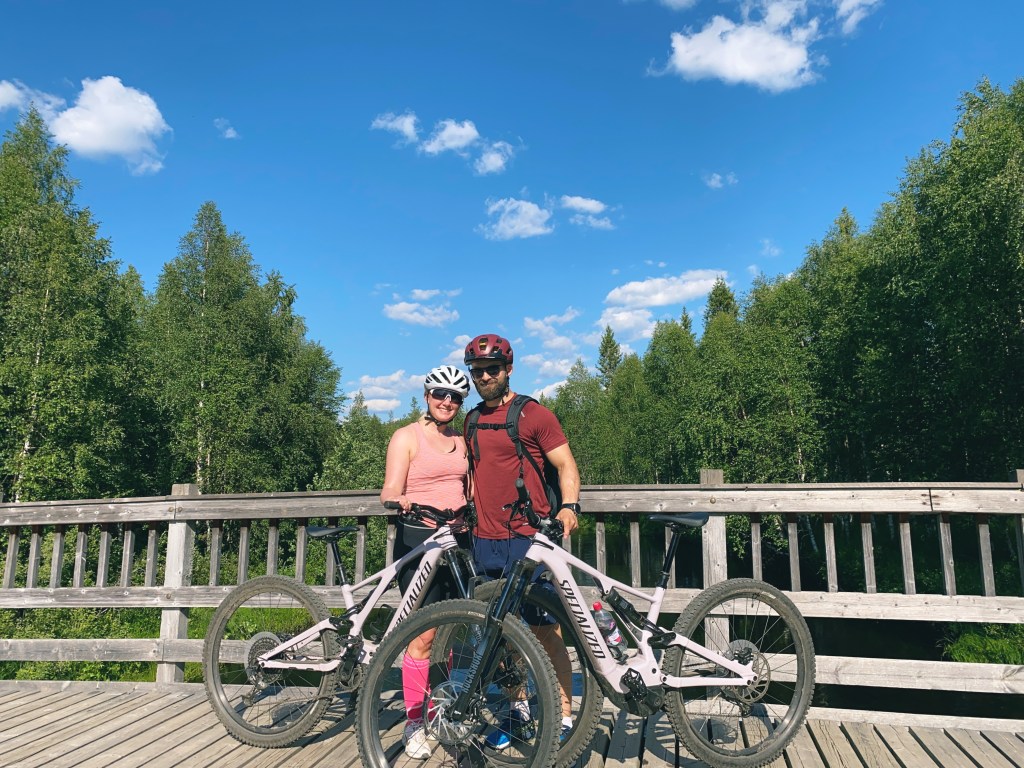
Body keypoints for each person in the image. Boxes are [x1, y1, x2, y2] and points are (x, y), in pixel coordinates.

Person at [462, 333, 581, 750]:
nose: (484, 377)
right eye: (477, 371)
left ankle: (564, 716)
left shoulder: (534, 415)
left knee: (546, 631)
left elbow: (565, 465)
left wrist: (570, 507)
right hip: (484, 540)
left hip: (529, 539)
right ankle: (519, 713)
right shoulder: (471, 420)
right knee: (500, 634)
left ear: (508, 369)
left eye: (492, 369)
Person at [380, 364, 471, 760]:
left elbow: (468, 486)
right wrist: (398, 499)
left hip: (458, 540)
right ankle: (415, 720)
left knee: (449, 631)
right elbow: (389, 487)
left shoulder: (462, 441)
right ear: (427, 396)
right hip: (419, 539)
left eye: (455, 397)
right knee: (422, 637)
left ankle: (440, 709)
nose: (447, 401)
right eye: (440, 394)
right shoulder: (407, 437)